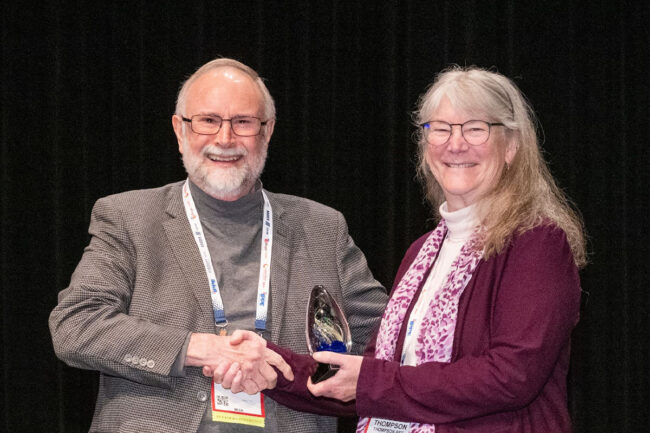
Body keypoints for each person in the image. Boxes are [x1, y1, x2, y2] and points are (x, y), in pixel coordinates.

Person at [220, 66, 587, 433]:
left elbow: (511, 376)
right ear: (426, 149)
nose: (455, 144)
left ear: (511, 147)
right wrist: (270, 364)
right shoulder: (422, 251)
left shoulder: (537, 241)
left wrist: (369, 381)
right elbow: (366, 377)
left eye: (476, 128)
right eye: (440, 129)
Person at [49, 57, 388, 433]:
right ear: (180, 130)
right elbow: (76, 325)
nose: (225, 139)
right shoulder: (129, 218)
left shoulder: (323, 228)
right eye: (208, 121)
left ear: (267, 131)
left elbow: (388, 343)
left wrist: (299, 372)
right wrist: (199, 348)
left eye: (242, 122)